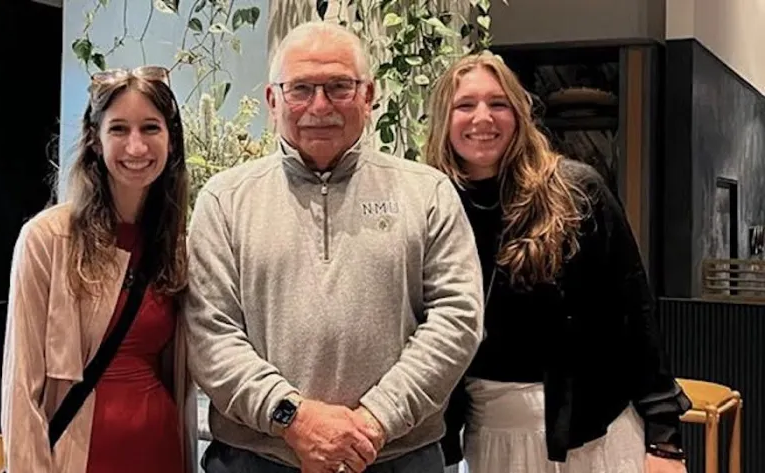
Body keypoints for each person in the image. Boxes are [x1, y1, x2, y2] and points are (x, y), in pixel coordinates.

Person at [184, 21, 484, 473]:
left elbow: (457, 319)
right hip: (257, 460)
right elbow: (211, 334)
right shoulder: (225, 200)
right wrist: (293, 419)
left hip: (397, 458)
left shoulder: (427, 193)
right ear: (272, 100)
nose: (320, 106)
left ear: (368, 95)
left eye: (339, 87)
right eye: (300, 89)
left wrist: (375, 421)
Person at [424, 52, 692, 473]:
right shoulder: (430, 205)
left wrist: (665, 442)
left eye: (498, 103)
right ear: (443, 118)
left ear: (520, 113)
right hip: (489, 435)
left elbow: (635, 314)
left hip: (594, 432)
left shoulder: (577, 191)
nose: (483, 117)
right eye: (465, 105)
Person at [1, 66, 197, 473]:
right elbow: (21, 389)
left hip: (160, 451)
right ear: (95, 138)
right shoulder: (47, 239)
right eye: (119, 129)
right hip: (77, 458)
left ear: (171, 139)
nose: (136, 147)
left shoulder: (177, 244)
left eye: (150, 128)